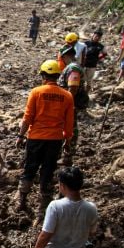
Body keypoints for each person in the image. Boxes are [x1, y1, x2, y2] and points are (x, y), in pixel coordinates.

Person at [16, 60, 74, 219]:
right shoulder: (67, 96)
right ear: (57, 76)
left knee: (29, 169)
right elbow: (69, 124)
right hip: (55, 140)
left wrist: (21, 136)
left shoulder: (36, 92)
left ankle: (22, 201)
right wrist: (67, 142)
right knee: (47, 172)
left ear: (43, 75)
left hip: (35, 138)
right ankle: (42, 209)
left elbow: (27, 117)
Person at [58, 45, 87, 166]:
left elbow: (73, 88)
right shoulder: (72, 67)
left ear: (65, 56)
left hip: (70, 105)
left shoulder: (72, 68)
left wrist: (67, 106)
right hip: (69, 104)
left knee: (70, 129)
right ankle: (65, 154)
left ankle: (67, 156)